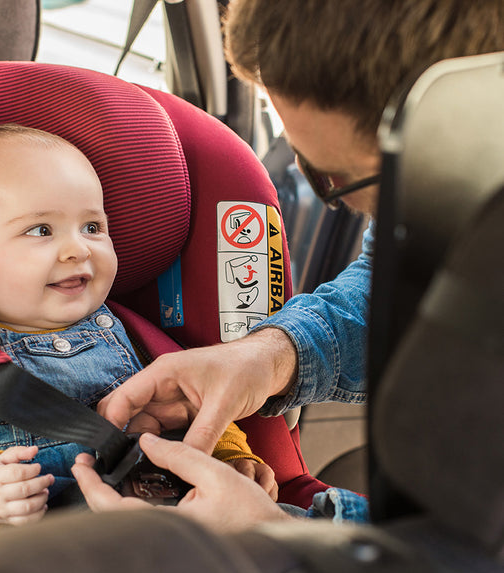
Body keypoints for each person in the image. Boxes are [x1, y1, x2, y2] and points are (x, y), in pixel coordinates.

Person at [72, 0, 504, 530]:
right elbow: (393, 284)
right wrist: (271, 355)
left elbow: (470, 567)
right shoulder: (454, 182)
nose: (337, 200)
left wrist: (280, 536)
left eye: (340, 177)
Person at [0, 123, 276, 529]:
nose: (78, 249)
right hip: (57, 548)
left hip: (180, 519)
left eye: (92, 227)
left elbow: (195, 403)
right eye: (40, 230)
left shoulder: (132, 335)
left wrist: (231, 456)